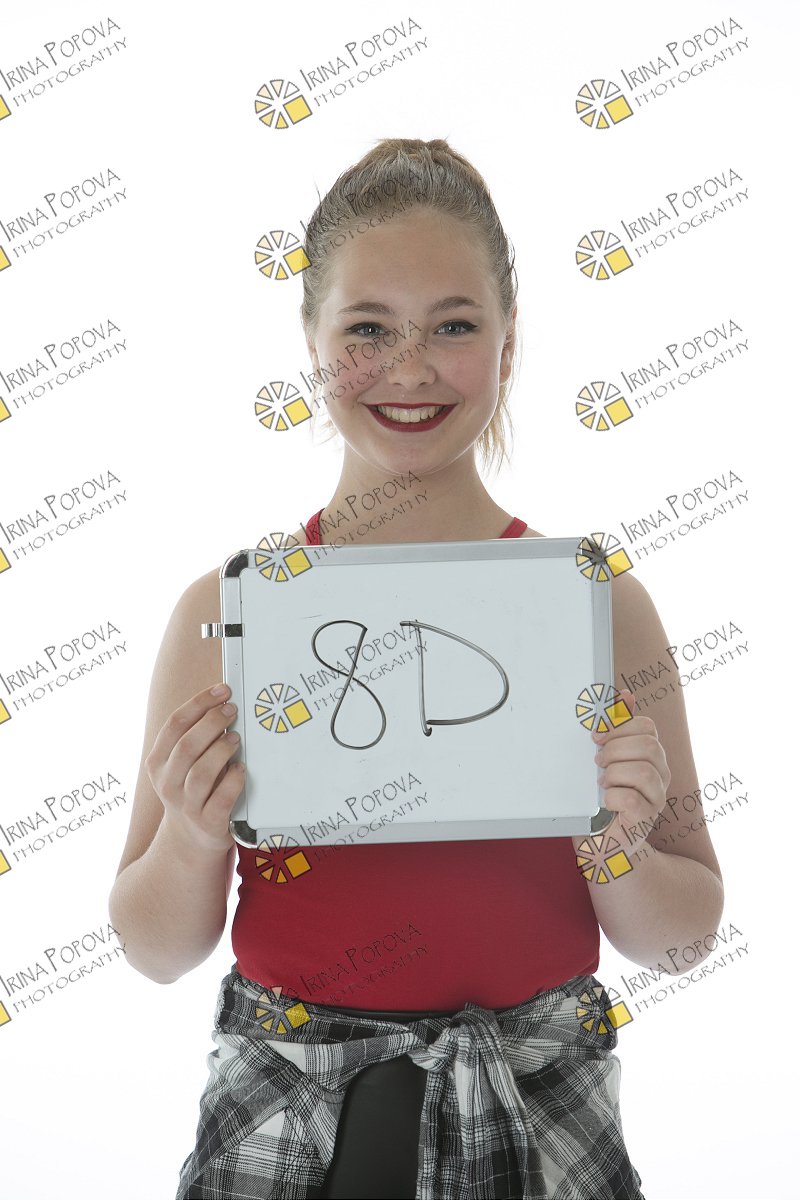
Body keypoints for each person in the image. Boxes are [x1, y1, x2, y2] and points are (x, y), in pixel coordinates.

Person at [108, 138, 725, 1200]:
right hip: (283, 1117)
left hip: (543, 1112)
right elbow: (155, 948)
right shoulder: (227, 613)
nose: (408, 368)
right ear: (310, 343)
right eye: (367, 329)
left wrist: (617, 843)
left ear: (509, 343)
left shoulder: (595, 604)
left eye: (453, 326)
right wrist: (196, 830)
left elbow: (682, 940)